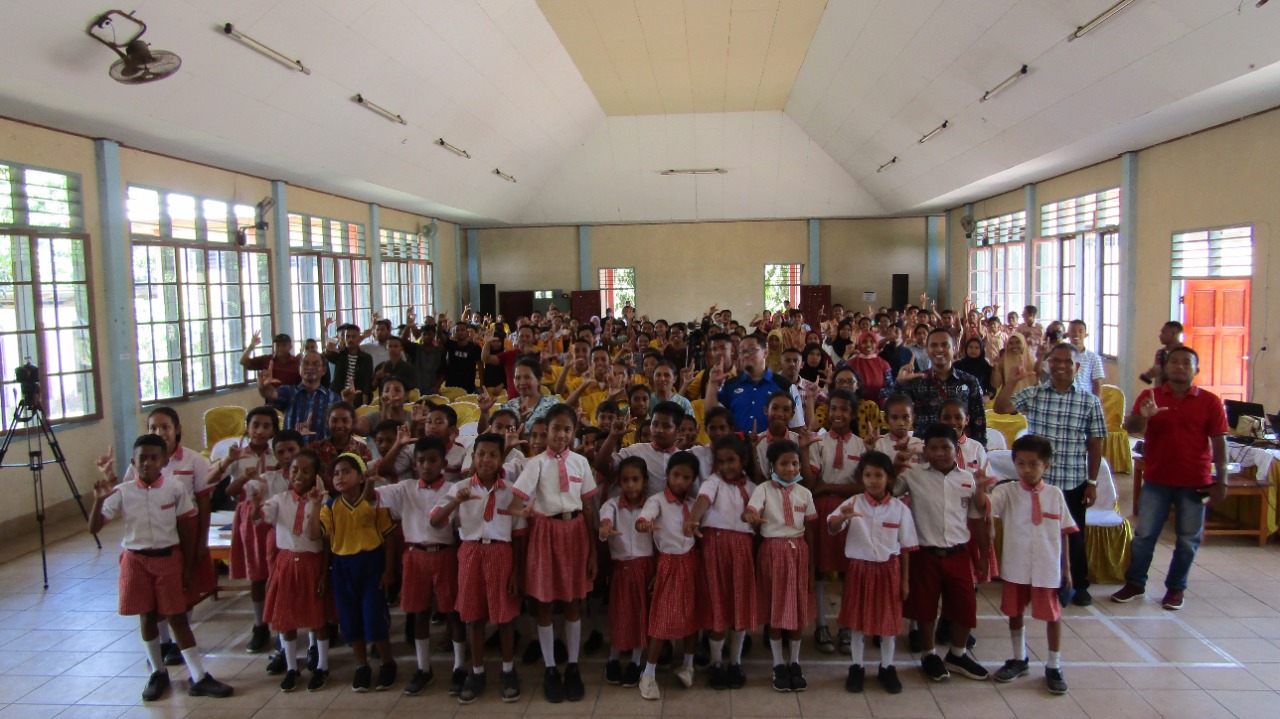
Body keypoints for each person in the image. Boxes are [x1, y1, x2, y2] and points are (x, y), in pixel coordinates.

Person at [90, 435, 234, 701]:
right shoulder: (122, 491)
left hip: (169, 558)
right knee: (146, 616)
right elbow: (94, 527)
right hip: (136, 560)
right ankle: (158, 672)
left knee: (177, 616)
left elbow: (186, 528)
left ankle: (199, 676)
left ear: (164, 461)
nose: (147, 463)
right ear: (133, 462)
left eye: (153, 457)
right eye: (141, 458)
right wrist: (99, 500)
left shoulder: (175, 488)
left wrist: (188, 567)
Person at [1113, 346, 1228, 611]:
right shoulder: (1150, 395)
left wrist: (1221, 480)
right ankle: (1135, 583)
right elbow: (1130, 429)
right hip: (1157, 479)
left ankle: (1176, 589)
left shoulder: (1210, 401)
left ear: (1196, 370)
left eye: (1186, 362)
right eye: (1174, 361)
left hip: (1195, 481)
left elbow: (1219, 442)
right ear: (1165, 368)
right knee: (1144, 535)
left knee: (1188, 539)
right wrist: (1144, 417)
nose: (1179, 366)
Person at [993, 343, 1106, 607]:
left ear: (1077, 367)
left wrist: (1091, 483)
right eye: (1056, 361)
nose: (1061, 366)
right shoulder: (1036, 394)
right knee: (1036, 533)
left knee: (1074, 535)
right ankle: (1038, 581)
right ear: (1048, 364)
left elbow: (1096, 444)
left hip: (1073, 481)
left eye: (1067, 362)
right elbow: (1001, 408)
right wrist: (1011, 382)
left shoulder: (1089, 401)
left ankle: (1079, 585)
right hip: (1038, 483)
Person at [508, 404, 600, 704]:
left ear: (574, 433)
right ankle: (550, 669)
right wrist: (529, 510)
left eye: (567, 429)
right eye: (555, 428)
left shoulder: (581, 463)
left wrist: (593, 552)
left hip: (575, 534)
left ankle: (572, 666)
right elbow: (513, 504)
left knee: (573, 602)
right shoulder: (534, 464)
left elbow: (587, 507)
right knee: (545, 603)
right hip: (545, 534)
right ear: (545, 431)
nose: (560, 434)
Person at [430, 433, 526, 704]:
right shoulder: (459, 488)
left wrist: (516, 572)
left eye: (493, 455)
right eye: (480, 454)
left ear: (501, 460)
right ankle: (477, 670)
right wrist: (456, 501)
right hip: (471, 551)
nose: (486, 459)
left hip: (501, 552)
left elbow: (518, 535)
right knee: (473, 617)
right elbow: (436, 522)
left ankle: (508, 670)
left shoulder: (510, 491)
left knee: (504, 617)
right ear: (473, 457)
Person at [892, 423, 990, 682]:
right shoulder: (913, 476)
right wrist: (895, 465)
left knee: (965, 607)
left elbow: (978, 518)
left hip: (959, 553)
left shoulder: (968, 479)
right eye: (932, 448)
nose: (938, 453)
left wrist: (983, 556)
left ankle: (957, 654)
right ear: (924, 451)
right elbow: (887, 493)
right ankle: (929, 654)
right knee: (925, 608)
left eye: (945, 448)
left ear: (956, 448)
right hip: (926, 553)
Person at [373, 436, 467, 697]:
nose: (427, 466)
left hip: (445, 554)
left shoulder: (453, 489)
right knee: (419, 613)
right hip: (415, 555)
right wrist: (367, 480)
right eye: (421, 461)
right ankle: (423, 668)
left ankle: (460, 667)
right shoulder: (405, 488)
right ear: (414, 464)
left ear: (443, 463)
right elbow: (374, 495)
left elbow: (460, 526)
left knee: (452, 613)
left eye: (432, 460)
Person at [121, 408, 216, 665]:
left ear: (177, 429)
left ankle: (178, 638)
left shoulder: (194, 460)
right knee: (152, 599)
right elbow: (128, 494)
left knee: (183, 588)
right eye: (153, 428)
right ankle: (164, 643)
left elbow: (204, 501)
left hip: (186, 528)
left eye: (165, 427)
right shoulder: (140, 461)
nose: (159, 432)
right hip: (153, 534)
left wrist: (202, 540)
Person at [988, 435, 1077, 695]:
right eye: (1021, 464)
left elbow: (1064, 532)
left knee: (1052, 616)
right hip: (1016, 566)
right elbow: (987, 508)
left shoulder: (1055, 495)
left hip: (1047, 568)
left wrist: (1066, 568)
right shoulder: (1007, 492)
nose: (1026, 470)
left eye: (1033, 464)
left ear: (1046, 466)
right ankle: (1019, 658)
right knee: (1015, 613)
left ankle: (1054, 664)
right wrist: (982, 489)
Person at [827, 451, 917, 695]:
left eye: (879, 475)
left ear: (889, 479)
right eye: (868, 475)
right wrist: (840, 519)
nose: (873, 480)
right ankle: (857, 666)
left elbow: (907, 547)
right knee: (857, 623)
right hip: (859, 570)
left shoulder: (899, 509)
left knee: (888, 623)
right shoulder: (853, 503)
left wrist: (905, 581)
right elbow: (833, 526)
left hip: (890, 571)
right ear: (861, 478)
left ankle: (887, 667)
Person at [256, 449, 333, 692]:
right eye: (294, 470)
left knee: (317, 618)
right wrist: (255, 501)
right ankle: (291, 667)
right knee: (285, 618)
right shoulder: (279, 499)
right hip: (287, 561)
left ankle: (322, 665)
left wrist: (323, 574)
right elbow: (260, 518)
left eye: (306, 471)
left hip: (312, 562)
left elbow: (319, 539)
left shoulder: (323, 501)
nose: (299, 475)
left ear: (315, 475)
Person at [319, 453, 396, 692]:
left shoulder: (373, 502)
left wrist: (389, 570)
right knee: (349, 619)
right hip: (343, 566)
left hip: (371, 563)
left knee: (373, 616)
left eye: (346, 472)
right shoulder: (330, 507)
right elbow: (324, 543)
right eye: (336, 474)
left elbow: (389, 537)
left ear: (361, 476)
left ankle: (387, 662)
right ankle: (362, 666)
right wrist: (324, 574)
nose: (340, 477)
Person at [685, 436, 758, 690]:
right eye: (721, 462)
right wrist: (694, 519)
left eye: (732, 461)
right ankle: (716, 662)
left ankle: (735, 662)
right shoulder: (713, 481)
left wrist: (753, 515)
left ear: (744, 461)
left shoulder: (751, 487)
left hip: (742, 550)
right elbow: (703, 500)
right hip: (715, 548)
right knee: (717, 605)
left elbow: (757, 513)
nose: (726, 466)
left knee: (738, 607)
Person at [745, 439, 818, 694]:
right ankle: (777, 663)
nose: (790, 469)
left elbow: (809, 531)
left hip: (799, 554)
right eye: (784, 463)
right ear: (772, 465)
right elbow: (751, 511)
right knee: (776, 610)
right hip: (772, 553)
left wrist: (811, 570)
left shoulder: (805, 493)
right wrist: (751, 516)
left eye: (795, 463)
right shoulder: (763, 489)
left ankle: (794, 662)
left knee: (797, 611)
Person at [800, 388, 866, 655]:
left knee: (849, 569)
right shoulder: (819, 442)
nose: (837, 414)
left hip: (851, 512)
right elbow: (811, 484)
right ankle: (821, 625)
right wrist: (828, 486)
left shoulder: (861, 445)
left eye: (843, 410)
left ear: (852, 413)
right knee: (820, 569)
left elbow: (862, 486)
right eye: (833, 409)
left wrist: (829, 487)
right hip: (821, 509)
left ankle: (846, 626)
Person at [634, 451, 704, 700]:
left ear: (693, 479)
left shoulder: (694, 503)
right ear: (667, 475)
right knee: (662, 619)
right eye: (676, 475)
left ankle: (688, 664)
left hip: (691, 562)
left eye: (686, 477)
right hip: (669, 564)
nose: (680, 481)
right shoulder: (657, 500)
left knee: (691, 616)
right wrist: (643, 523)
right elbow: (645, 518)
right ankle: (648, 674)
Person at [222, 413, 291, 653]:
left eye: (266, 426)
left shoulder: (279, 454)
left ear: (274, 430)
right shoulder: (237, 455)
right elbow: (228, 491)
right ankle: (260, 625)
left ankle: (283, 625)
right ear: (247, 427)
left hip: (276, 518)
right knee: (257, 576)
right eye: (255, 425)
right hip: (250, 519)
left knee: (278, 573)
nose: (260, 431)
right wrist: (245, 477)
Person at [598, 457, 656, 689]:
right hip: (622, 570)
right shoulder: (611, 505)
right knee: (620, 615)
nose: (630, 485)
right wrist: (605, 528)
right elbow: (605, 522)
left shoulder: (651, 506)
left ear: (644, 481)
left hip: (645, 568)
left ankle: (635, 660)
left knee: (641, 615)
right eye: (625, 480)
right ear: (618, 482)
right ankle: (613, 657)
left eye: (635, 480)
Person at [704, 334, 803, 441]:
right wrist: (712, 382)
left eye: (751, 349)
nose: (746, 355)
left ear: (765, 352)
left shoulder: (784, 385)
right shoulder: (730, 385)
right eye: (742, 351)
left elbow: (797, 426)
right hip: (738, 450)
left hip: (773, 449)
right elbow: (712, 416)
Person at [898, 329, 988, 445]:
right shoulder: (916, 381)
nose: (939, 349)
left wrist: (979, 451)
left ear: (954, 348)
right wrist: (899, 382)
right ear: (927, 349)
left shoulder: (969, 381)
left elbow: (979, 421)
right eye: (934, 345)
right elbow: (896, 411)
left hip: (961, 448)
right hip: (924, 448)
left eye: (945, 345)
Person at [259, 352, 341, 441]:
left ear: (324, 370)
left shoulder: (334, 398)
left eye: (315, 364)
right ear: (299, 368)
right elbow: (271, 394)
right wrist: (263, 387)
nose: (310, 367)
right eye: (305, 363)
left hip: (323, 452)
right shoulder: (288, 392)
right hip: (292, 451)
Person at [484, 325, 538, 399]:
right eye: (521, 336)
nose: (524, 339)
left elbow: (547, 369)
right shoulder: (509, 354)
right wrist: (487, 343)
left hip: (533, 402)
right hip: (513, 403)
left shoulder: (538, 355)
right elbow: (486, 358)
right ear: (517, 338)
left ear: (533, 339)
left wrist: (531, 355)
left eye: (527, 336)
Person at [326, 323, 375, 403]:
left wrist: (365, 404)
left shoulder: (366, 358)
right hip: (338, 396)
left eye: (353, 336)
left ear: (359, 337)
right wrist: (328, 349)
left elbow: (367, 382)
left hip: (357, 397)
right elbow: (328, 356)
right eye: (347, 336)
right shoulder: (340, 354)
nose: (350, 339)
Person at [848, 332, 895, 407]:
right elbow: (841, 381)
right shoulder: (852, 363)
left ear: (876, 344)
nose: (868, 345)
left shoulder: (884, 364)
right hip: (856, 406)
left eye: (872, 341)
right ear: (860, 344)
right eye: (865, 342)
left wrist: (875, 393)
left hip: (878, 407)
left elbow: (890, 387)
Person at [1138, 320, 1185, 386]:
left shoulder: (1185, 354)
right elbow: (1156, 371)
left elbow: (1184, 374)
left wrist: (1163, 372)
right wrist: (1147, 376)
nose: (1160, 336)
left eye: (1163, 332)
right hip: (1160, 393)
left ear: (1174, 334)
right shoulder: (1160, 353)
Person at [1066, 320, 1104, 397]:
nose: (1076, 334)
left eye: (1080, 331)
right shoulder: (1061, 355)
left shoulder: (1094, 358)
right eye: (1073, 331)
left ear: (1086, 335)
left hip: (1085, 399)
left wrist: (1096, 403)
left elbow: (1097, 383)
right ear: (1067, 334)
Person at [442, 322, 483, 393]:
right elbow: (439, 337)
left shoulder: (475, 347)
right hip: (451, 385)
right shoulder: (451, 344)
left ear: (467, 332)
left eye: (462, 330)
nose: (460, 332)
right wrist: (440, 323)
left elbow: (480, 367)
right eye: (457, 330)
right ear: (454, 332)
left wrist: (482, 385)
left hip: (468, 385)